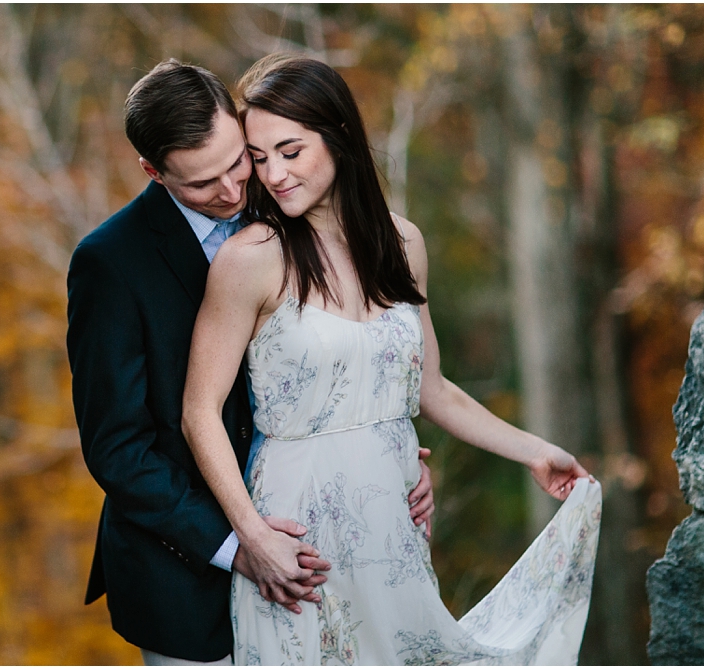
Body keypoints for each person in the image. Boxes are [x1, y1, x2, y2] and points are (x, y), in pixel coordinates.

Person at [181, 54, 603, 665]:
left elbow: (432, 389)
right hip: (299, 542)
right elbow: (200, 411)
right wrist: (253, 537)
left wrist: (535, 450)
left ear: (341, 136)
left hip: (394, 525)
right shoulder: (251, 258)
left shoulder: (403, 244)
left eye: (291, 151)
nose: (273, 174)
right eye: (260, 156)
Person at [66, 59, 435, 666]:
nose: (233, 191)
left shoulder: (285, 205)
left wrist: (385, 452)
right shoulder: (110, 263)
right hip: (186, 578)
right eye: (201, 184)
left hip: (321, 558)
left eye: (239, 161)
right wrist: (238, 544)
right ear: (152, 172)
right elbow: (118, 449)